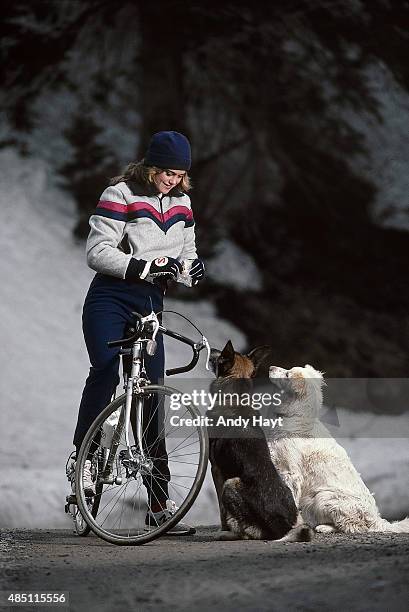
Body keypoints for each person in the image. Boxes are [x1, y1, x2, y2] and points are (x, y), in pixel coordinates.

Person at [71, 131, 205, 535]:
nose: (172, 181)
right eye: (166, 172)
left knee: (150, 397)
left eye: (180, 174)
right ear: (150, 167)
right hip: (110, 298)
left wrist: (190, 268)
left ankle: (159, 506)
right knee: (107, 368)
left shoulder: (183, 202)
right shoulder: (121, 194)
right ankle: (86, 460)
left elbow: (187, 251)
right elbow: (97, 251)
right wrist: (141, 266)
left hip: (150, 304)